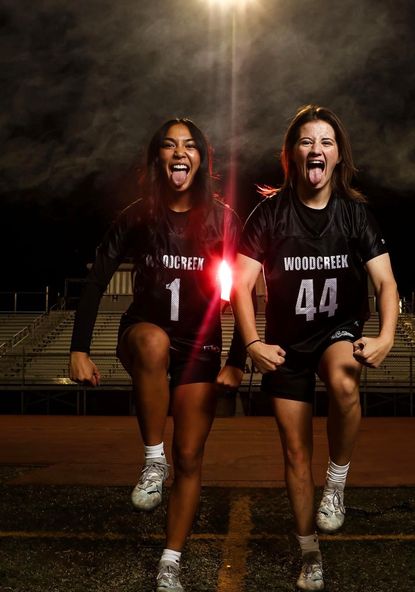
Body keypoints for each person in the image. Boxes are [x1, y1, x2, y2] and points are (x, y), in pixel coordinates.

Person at [69, 118, 245, 592]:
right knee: (153, 343)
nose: (179, 152)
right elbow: (98, 278)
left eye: (189, 145)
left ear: (202, 160)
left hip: (201, 346)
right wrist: (79, 348)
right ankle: (152, 459)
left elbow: (243, 289)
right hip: (145, 332)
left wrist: (237, 359)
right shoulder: (138, 214)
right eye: (169, 145)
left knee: (190, 455)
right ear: (158, 159)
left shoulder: (223, 219)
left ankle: (171, 560)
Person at [232, 105, 399, 590]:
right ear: (292, 154)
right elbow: (239, 286)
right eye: (307, 141)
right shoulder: (269, 213)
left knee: (345, 379)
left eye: (326, 142)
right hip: (285, 346)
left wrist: (386, 336)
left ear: (338, 154)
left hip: (336, 332)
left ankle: (339, 480)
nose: (316, 150)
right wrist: (252, 344)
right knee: (295, 454)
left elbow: (386, 283)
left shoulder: (355, 214)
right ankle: (309, 553)